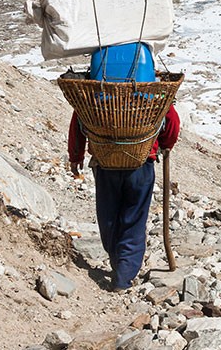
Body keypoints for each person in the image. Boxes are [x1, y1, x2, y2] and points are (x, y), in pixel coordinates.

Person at [69, 105, 180, 290]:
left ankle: (118, 263)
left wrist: (75, 155)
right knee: (134, 219)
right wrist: (165, 144)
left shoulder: (95, 92)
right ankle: (124, 275)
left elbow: (79, 119)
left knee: (108, 217)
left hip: (105, 162)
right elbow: (172, 123)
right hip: (141, 163)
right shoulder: (152, 90)